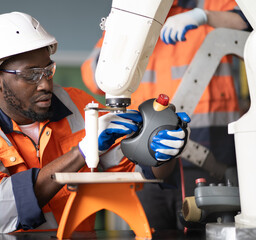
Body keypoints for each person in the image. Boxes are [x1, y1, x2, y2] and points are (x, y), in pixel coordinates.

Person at [0, 12, 190, 234]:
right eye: (31, 74)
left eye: (48, 70)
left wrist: (160, 152)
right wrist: (82, 151)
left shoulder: (78, 104)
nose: (45, 84)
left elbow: (136, 173)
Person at [81, 0, 252, 230]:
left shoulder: (211, 2)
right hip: (146, 156)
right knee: (150, 232)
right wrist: (128, 33)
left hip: (211, 155)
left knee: (208, 231)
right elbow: (93, 76)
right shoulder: (134, 17)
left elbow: (248, 23)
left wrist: (202, 16)